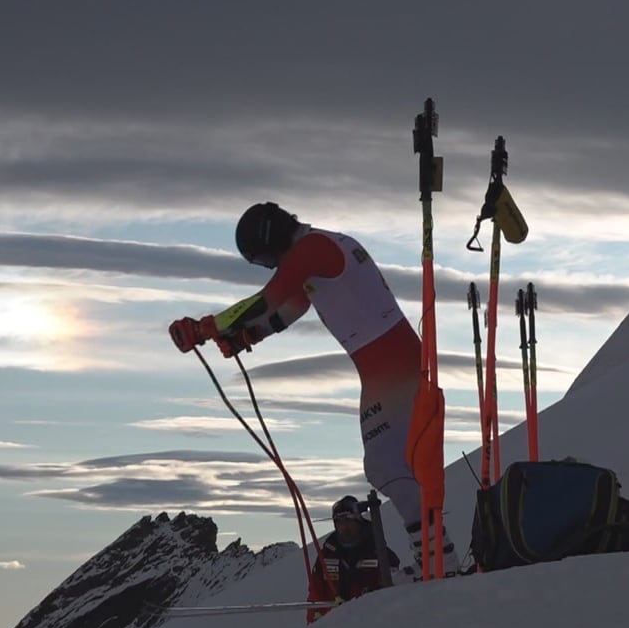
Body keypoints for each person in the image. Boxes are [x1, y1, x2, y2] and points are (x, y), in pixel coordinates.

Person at [167, 202, 459, 574]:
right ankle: (437, 559)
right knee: (394, 464)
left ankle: (439, 564)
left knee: (388, 466)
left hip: (391, 367)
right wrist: (250, 335)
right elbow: (293, 305)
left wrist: (205, 328)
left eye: (264, 260)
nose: (271, 266)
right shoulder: (323, 245)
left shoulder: (309, 250)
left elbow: (267, 298)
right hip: (390, 363)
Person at [310, 495, 405, 616]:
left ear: (358, 521)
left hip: (369, 622)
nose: (345, 526)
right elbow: (315, 592)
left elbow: (393, 591)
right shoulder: (326, 556)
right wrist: (315, 620)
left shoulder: (379, 553)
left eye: (349, 520)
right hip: (333, 626)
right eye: (340, 522)